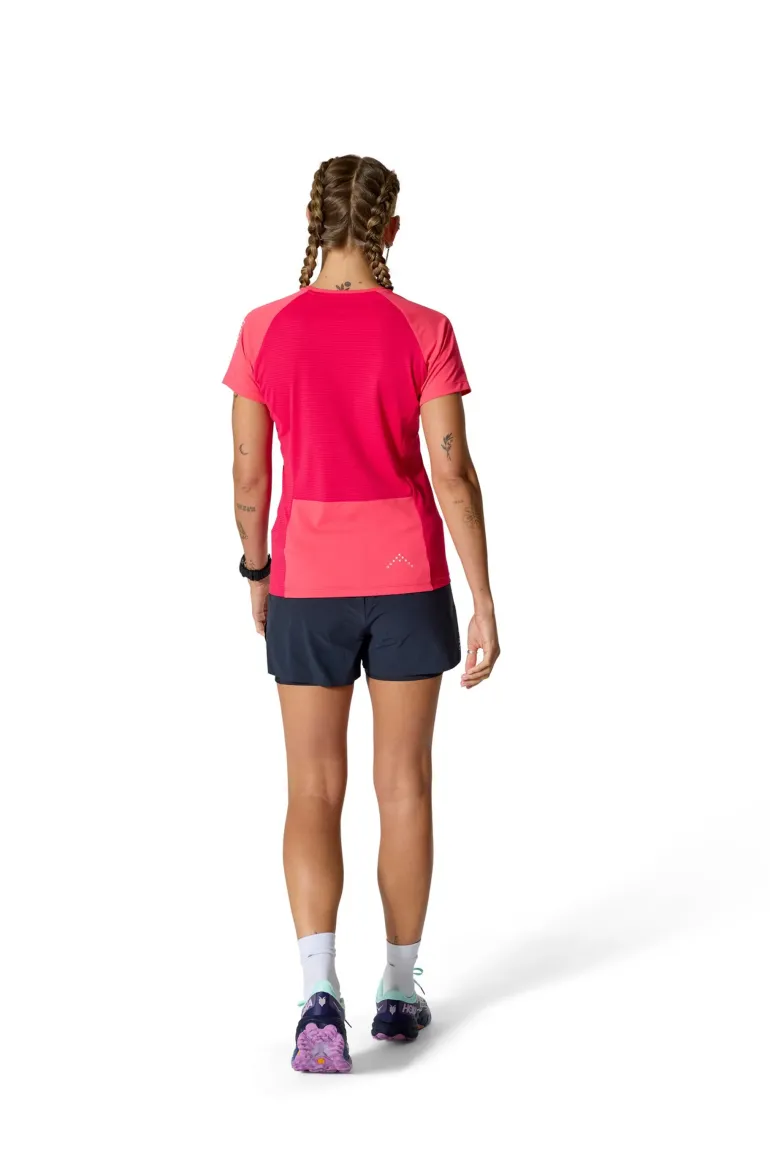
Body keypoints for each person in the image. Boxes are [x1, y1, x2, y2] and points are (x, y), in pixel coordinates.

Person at [221, 155, 500, 1073]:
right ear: (390, 229)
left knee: (311, 788)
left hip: (307, 580)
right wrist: (483, 596)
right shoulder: (425, 328)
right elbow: (453, 473)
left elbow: (250, 476)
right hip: (407, 576)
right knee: (404, 785)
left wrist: (257, 569)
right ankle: (398, 987)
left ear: (315, 224)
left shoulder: (264, 328)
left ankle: (317, 995)